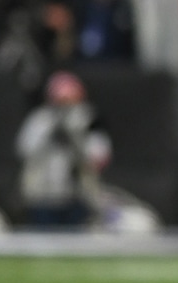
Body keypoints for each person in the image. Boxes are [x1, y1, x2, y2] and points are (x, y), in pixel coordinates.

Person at [15, 70, 111, 226]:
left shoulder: (89, 120)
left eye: (69, 101)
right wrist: (49, 132)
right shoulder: (40, 119)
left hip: (78, 197)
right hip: (43, 196)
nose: (64, 107)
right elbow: (24, 149)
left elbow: (99, 157)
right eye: (60, 101)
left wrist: (75, 138)